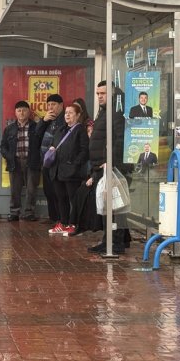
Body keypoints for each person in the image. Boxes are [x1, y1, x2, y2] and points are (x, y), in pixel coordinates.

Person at [87, 80, 130, 254]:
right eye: (98, 94)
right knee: (107, 205)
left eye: (102, 93)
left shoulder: (116, 112)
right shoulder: (105, 111)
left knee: (115, 207)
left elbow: (119, 140)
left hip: (112, 167)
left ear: (112, 94)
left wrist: (111, 162)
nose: (99, 97)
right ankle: (111, 240)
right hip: (101, 166)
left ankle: (116, 242)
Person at [46, 101, 89, 235]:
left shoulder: (80, 130)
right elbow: (54, 143)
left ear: (77, 115)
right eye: (66, 113)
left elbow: (84, 151)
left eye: (70, 113)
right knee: (61, 198)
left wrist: (75, 164)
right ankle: (63, 223)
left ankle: (75, 224)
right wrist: (52, 148)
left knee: (73, 199)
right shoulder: (61, 129)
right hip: (58, 170)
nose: (67, 115)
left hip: (72, 172)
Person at [0, 100, 40, 222]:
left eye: (24, 110)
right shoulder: (9, 129)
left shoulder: (36, 127)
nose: (21, 113)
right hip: (15, 162)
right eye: (19, 110)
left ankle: (29, 212)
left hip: (32, 162)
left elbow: (41, 145)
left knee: (31, 188)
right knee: (15, 189)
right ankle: (14, 212)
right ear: (15, 113)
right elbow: (3, 146)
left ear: (29, 112)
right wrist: (9, 157)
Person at [35, 93, 65, 224]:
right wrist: (43, 121)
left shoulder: (65, 119)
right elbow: (36, 134)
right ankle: (53, 217)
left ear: (61, 106)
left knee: (58, 192)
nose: (50, 107)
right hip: (46, 162)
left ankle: (60, 218)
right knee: (48, 191)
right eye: (48, 105)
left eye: (53, 104)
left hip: (58, 163)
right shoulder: (47, 119)